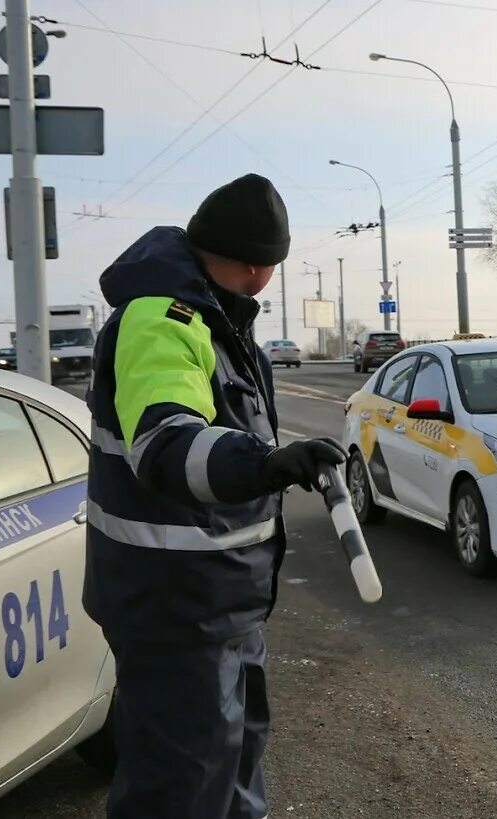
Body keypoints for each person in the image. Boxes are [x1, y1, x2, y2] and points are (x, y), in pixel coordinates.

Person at [82, 173, 346, 819]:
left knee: (233, 775)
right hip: (175, 608)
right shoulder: (164, 317)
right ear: (260, 269)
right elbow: (168, 445)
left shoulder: (215, 319)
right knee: (182, 790)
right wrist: (268, 463)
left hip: (221, 603)